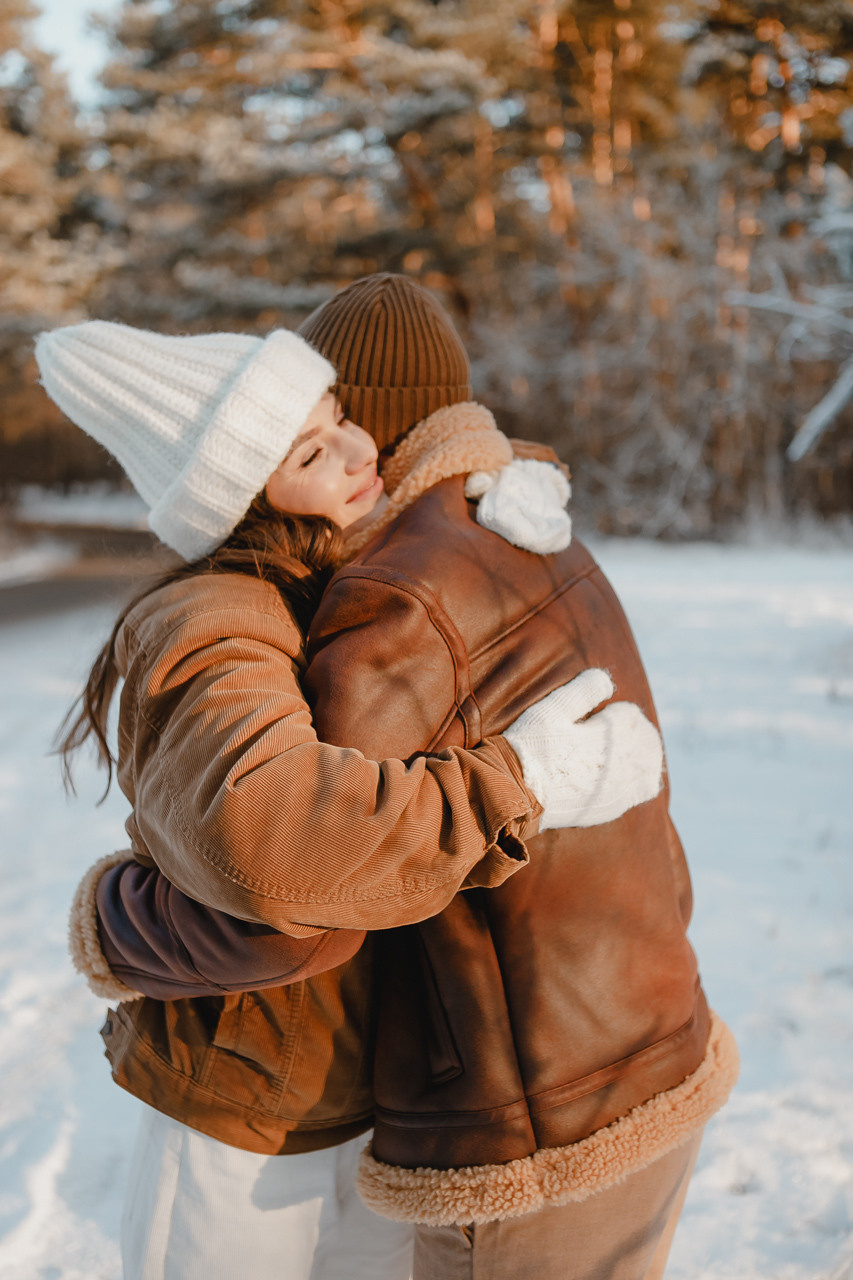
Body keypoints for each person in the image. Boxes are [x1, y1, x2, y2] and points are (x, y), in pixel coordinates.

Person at [36, 316, 665, 1280]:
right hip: (242, 1118)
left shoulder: (335, 577)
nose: (357, 451)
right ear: (242, 496)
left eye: (340, 417)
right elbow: (280, 861)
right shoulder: (214, 621)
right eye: (309, 450)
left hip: (361, 1104)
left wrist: (493, 478)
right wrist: (515, 783)